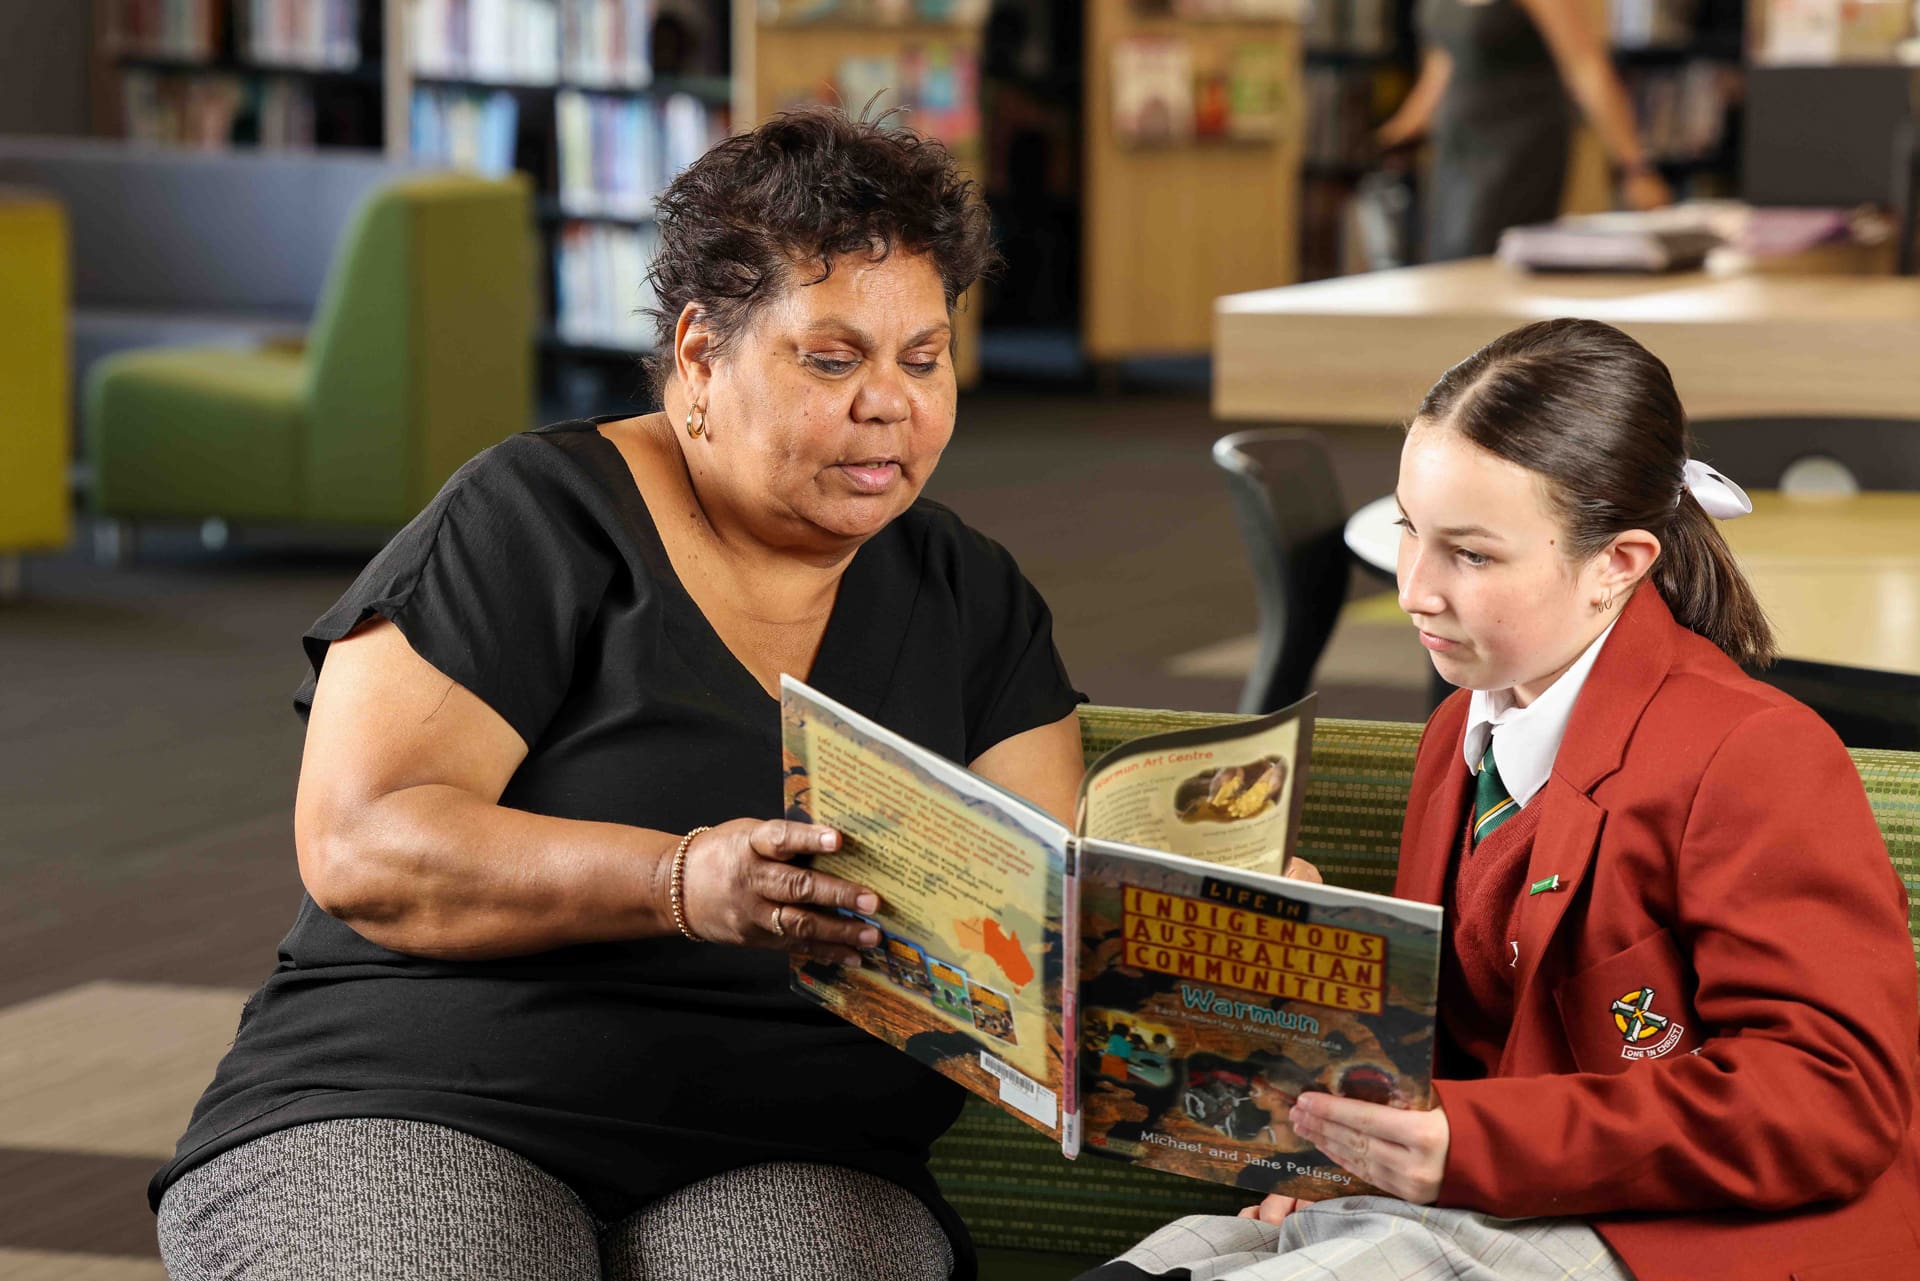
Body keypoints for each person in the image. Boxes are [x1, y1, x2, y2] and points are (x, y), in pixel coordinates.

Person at [150, 107, 1087, 1281]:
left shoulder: (971, 593)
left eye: (923, 358)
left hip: (798, 1146)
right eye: (834, 359)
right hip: (424, 1095)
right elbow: (362, 842)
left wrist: (1210, 943)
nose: (889, 404)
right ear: (700, 354)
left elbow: (1058, 907)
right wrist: (679, 881)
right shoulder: (533, 517)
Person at [1080, 318, 1920, 1281]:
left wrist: (1457, 1141)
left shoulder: (1753, 753)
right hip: (1496, 1190)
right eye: (1409, 530)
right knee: (1159, 1266)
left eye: (1472, 555)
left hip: (1693, 1233)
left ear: (1619, 562)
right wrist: (1311, 961)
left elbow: (1833, 1102)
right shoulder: (1461, 731)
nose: (1415, 592)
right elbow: (1458, 1033)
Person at [1380, 0, 1677, 261]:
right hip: (1458, 145)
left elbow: (1586, 67)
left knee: (1486, 251)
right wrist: (1405, 127)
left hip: (1518, 146)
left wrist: (1634, 168)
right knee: (1447, 252)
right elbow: (1445, 60)